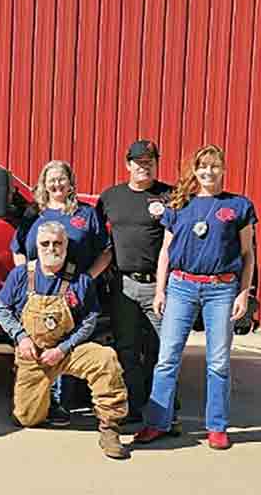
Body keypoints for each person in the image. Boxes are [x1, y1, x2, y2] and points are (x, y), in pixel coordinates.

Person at [135, 145, 257, 450]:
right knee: (167, 359)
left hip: (222, 289)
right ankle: (157, 423)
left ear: (223, 169)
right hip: (181, 286)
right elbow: (165, 251)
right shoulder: (179, 204)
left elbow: (247, 255)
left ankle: (216, 427)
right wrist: (161, 289)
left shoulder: (239, 206)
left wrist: (243, 293)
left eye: (215, 166)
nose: (209, 172)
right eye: (203, 166)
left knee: (218, 362)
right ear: (195, 170)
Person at [0, 221, 129, 459]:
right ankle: (41, 399)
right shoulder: (21, 275)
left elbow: (90, 319)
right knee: (27, 418)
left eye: (57, 243)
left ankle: (110, 428)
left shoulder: (80, 280)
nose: (51, 248)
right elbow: (2, 309)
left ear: (66, 246)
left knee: (105, 359)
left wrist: (64, 348)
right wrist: (21, 337)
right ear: (36, 246)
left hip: (67, 352)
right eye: (45, 243)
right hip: (33, 354)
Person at [10, 160, 110, 425]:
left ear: (70, 183)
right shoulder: (34, 213)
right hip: (37, 293)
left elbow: (106, 252)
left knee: (65, 342)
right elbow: (17, 248)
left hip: (73, 293)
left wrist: (87, 279)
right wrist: (24, 279)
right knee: (37, 344)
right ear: (44, 184)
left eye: (61, 178)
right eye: (51, 179)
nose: (56, 184)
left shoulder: (86, 213)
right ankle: (38, 401)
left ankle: (61, 403)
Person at [95, 140, 179, 428]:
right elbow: (97, 239)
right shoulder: (110, 197)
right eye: (139, 161)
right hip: (123, 285)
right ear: (127, 164)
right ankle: (133, 405)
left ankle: (164, 410)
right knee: (127, 349)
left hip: (160, 286)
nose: (145, 166)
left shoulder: (170, 196)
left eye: (150, 161)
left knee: (164, 350)